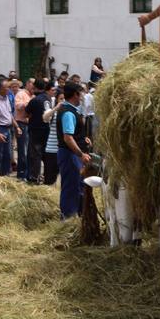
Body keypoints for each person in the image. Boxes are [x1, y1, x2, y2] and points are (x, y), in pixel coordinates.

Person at [56, 82, 89, 218]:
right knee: (71, 186)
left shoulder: (71, 110)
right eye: (80, 93)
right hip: (70, 154)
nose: (82, 96)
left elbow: (73, 134)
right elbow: (68, 138)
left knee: (77, 185)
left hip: (72, 154)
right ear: (75, 94)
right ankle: (68, 216)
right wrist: (81, 154)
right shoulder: (68, 113)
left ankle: (77, 213)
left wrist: (83, 139)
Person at [25, 79, 50, 183]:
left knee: (35, 155)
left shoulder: (35, 100)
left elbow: (27, 113)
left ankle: (34, 177)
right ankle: (47, 176)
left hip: (36, 130)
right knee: (44, 154)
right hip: (46, 129)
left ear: (35, 87)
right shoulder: (47, 99)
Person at [12, 79, 32, 180]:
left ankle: (27, 173)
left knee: (29, 151)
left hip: (30, 125)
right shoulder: (21, 94)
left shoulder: (33, 95)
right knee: (22, 151)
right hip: (22, 124)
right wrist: (28, 104)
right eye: (32, 84)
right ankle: (21, 174)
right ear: (28, 84)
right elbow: (18, 106)